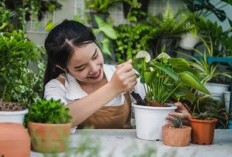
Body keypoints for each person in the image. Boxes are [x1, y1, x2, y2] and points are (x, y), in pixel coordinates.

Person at [43, 20, 191, 131]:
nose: (94, 69)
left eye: (95, 56)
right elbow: (57, 121)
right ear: (63, 68)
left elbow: (155, 116)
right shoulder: (56, 87)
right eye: (81, 67)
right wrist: (113, 88)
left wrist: (181, 119)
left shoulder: (124, 76)